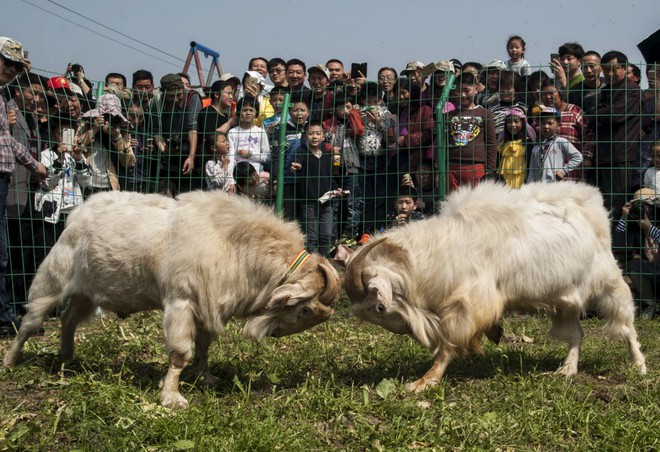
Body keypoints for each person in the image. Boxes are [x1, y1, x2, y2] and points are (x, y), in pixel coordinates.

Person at [0, 36, 48, 337]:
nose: (12, 71)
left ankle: (5, 315)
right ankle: (4, 318)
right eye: (8, 63)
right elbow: (6, 140)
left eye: (17, 67)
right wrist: (33, 163)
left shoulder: (3, 98)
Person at [593, 50, 642, 215]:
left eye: (614, 69)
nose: (610, 73)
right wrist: (601, 113)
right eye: (606, 69)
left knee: (617, 206)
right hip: (603, 156)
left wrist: (599, 113)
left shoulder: (632, 89)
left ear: (624, 68)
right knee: (602, 206)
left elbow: (614, 115)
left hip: (621, 156)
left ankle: (618, 240)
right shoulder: (607, 91)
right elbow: (601, 114)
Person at [35, 120, 91, 245]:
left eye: (68, 133)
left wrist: (78, 160)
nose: (63, 137)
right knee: (48, 250)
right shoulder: (45, 154)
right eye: (60, 133)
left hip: (72, 211)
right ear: (54, 134)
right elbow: (47, 184)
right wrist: (59, 160)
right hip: (52, 211)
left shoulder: (77, 156)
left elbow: (85, 183)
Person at [290, 121, 338, 257]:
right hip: (308, 203)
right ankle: (310, 264)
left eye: (318, 133)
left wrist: (337, 189)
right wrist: (296, 166)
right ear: (305, 136)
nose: (314, 136)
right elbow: (297, 164)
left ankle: (324, 262)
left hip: (326, 203)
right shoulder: (302, 153)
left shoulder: (327, 157)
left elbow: (330, 178)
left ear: (323, 136)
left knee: (326, 235)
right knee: (311, 237)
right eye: (311, 133)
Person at [322, 90, 364, 246]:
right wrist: (329, 148)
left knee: (353, 203)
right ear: (334, 108)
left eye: (348, 107)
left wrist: (353, 113)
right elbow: (320, 141)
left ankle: (350, 233)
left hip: (350, 167)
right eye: (341, 107)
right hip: (331, 169)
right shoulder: (327, 124)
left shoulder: (352, 121)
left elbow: (359, 130)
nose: (344, 111)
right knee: (334, 203)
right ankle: (332, 236)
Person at [357, 81, 395, 243]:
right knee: (364, 197)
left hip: (380, 159)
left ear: (380, 100)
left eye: (375, 101)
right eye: (368, 101)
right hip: (361, 159)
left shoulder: (385, 113)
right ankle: (364, 232)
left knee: (379, 197)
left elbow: (391, 136)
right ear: (363, 100)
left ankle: (376, 230)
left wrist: (378, 122)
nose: (371, 104)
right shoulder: (358, 113)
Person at [447, 72, 497, 191]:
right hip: (451, 167)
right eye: (459, 91)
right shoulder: (449, 116)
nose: (463, 95)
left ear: (476, 89)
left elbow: (491, 144)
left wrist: (490, 170)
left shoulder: (485, 114)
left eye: (466, 90)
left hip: (475, 167)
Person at [614, 188, 660, 320]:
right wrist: (624, 218)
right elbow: (618, 246)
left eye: (645, 206)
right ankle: (650, 304)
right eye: (638, 206)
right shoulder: (634, 225)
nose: (642, 210)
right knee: (634, 264)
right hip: (650, 272)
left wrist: (650, 229)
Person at [76, 93, 135, 192]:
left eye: (112, 117)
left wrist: (117, 137)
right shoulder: (86, 127)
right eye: (105, 116)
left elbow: (129, 162)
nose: (109, 120)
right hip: (87, 185)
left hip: (111, 186)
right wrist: (94, 130)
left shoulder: (121, 132)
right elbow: (76, 146)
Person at [158, 73, 199, 192]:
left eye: (179, 95)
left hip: (188, 155)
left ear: (182, 88)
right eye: (171, 96)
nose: (176, 99)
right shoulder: (159, 102)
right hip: (166, 160)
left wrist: (191, 157)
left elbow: (193, 127)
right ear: (164, 93)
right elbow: (156, 130)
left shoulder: (192, 98)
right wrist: (162, 146)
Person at [527, 108, 583, 183]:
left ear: (559, 126)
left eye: (550, 123)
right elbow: (532, 171)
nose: (546, 126)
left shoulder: (560, 142)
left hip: (554, 187)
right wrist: (529, 186)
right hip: (538, 189)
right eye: (543, 123)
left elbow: (578, 157)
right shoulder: (536, 148)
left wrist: (563, 171)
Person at [497, 107, 533, 188]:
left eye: (516, 121)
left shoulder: (528, 143)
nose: (513, 125)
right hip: (504, 183)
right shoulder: (503, 143)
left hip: (523, 182)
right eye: (509, 122)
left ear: (523, 123)